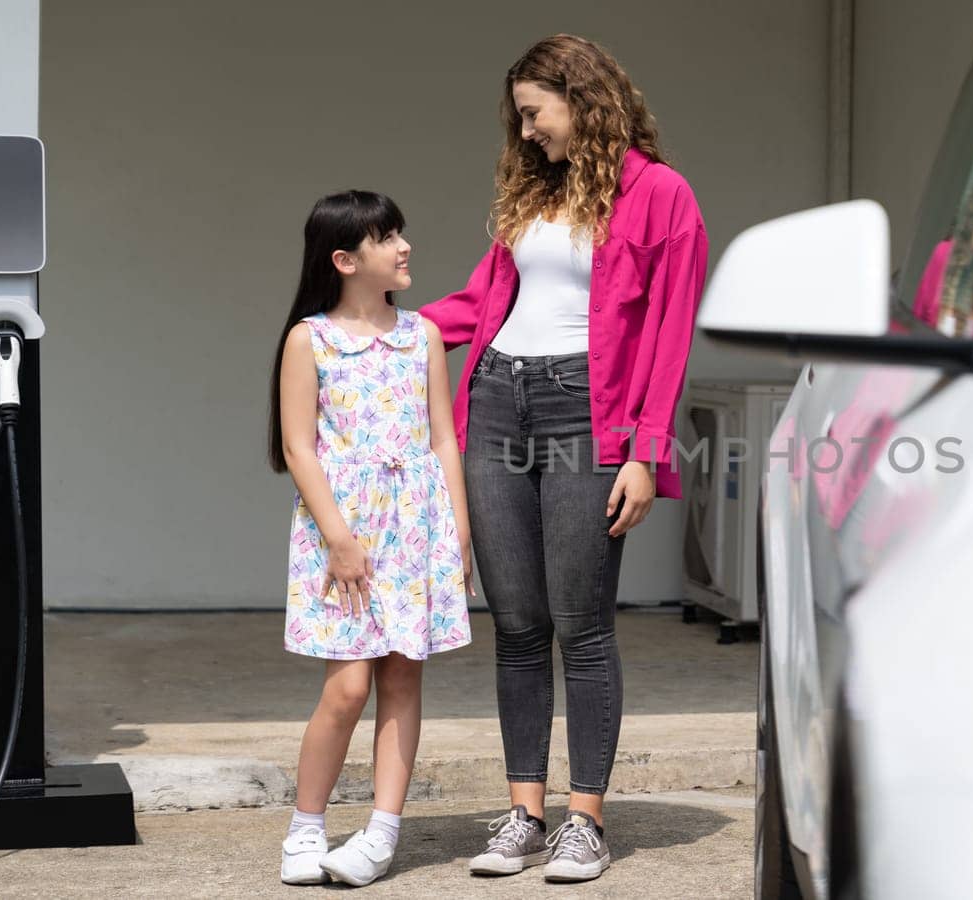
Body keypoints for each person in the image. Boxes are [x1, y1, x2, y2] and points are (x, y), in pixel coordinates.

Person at [420, 34, 708, 884]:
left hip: (591, 412)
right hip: (497, 399)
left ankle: (586, 820)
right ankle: (523, 813)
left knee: (581, 624)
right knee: (516, 625)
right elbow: (484, 300)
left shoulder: (662, 197)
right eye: (520, 118)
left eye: (534, 113)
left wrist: (645, 453)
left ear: (581, 99)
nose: (527, 132)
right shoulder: (533, 192)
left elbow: (668, 332)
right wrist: (387, 326)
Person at [267, 190, 475, 887]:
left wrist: (459, 531)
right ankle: (306, 826)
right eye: (388, 238)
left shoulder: (423, 336)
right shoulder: (310, 338)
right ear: (345, 259)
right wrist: (339, 539)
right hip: (344, 529)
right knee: (348, 688)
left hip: (417, 525)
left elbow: (444, 438)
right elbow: (298, 447)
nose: (404, 246)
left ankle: (383, 831)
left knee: (403, 674)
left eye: (400, 233)